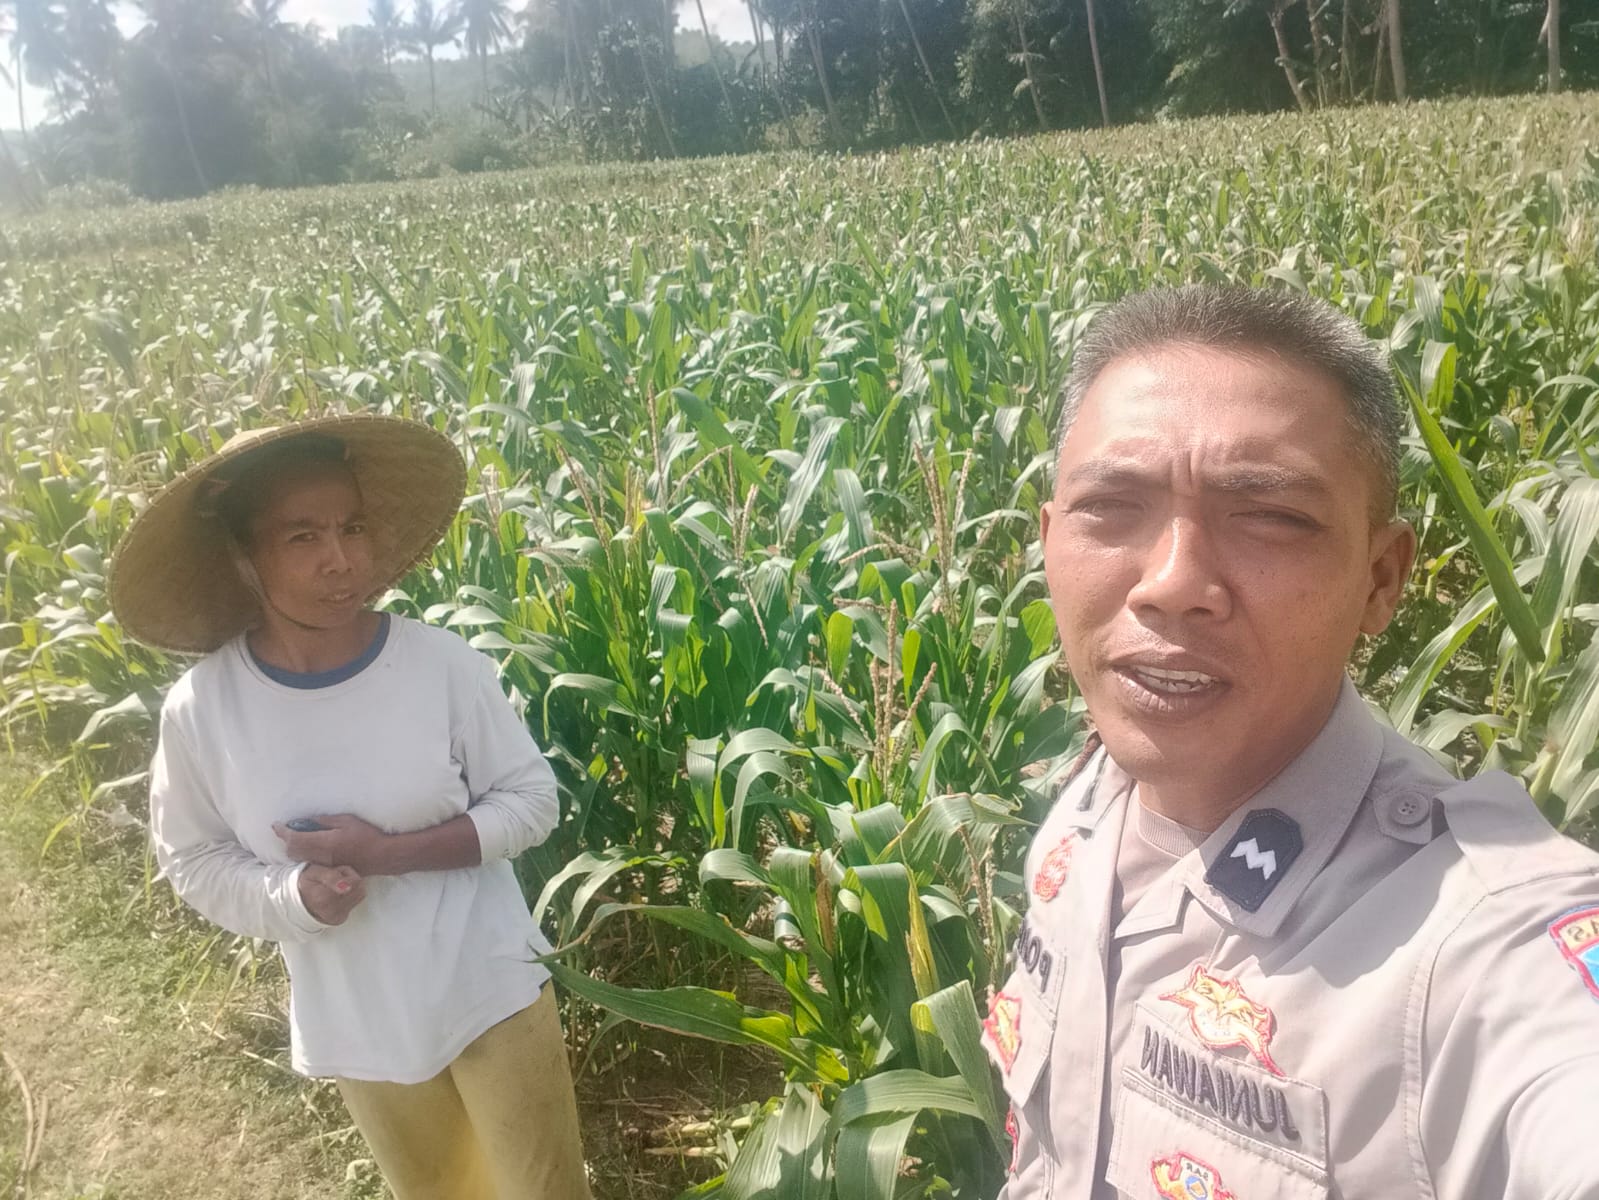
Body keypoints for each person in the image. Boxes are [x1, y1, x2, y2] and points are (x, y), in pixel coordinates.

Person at [985, 285, 1599, 1200]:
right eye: (1109, 505)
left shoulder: (1474, 944)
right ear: (1047, 542)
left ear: (1381, 579)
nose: (1172, 584)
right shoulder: (1087, 797)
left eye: (1270, 517)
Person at [110, 414, 592, 1200]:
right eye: (302, 536)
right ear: (243, 557)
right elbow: (193, 858)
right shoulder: (204, 709)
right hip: (356, 1016)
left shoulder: (440, 666)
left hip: (489, 990)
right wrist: (292, 897)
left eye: (353, 527)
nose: (340, 560)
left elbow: (533, 802)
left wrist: (386, 854)